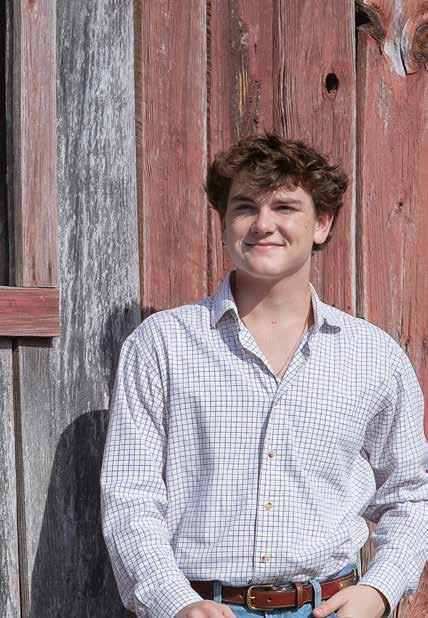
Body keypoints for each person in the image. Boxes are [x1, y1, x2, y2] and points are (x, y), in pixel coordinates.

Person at [100, 132, 428, 618]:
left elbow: (411, 494)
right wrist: (177, 603)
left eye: (285, 207)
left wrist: (378, 590)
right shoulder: (161, 346)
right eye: (245, 207)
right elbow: (131, 496)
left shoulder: (374, 357)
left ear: (322, 223)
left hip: (331, 607)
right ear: (224, 222)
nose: (262, 224)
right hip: (202, 608)